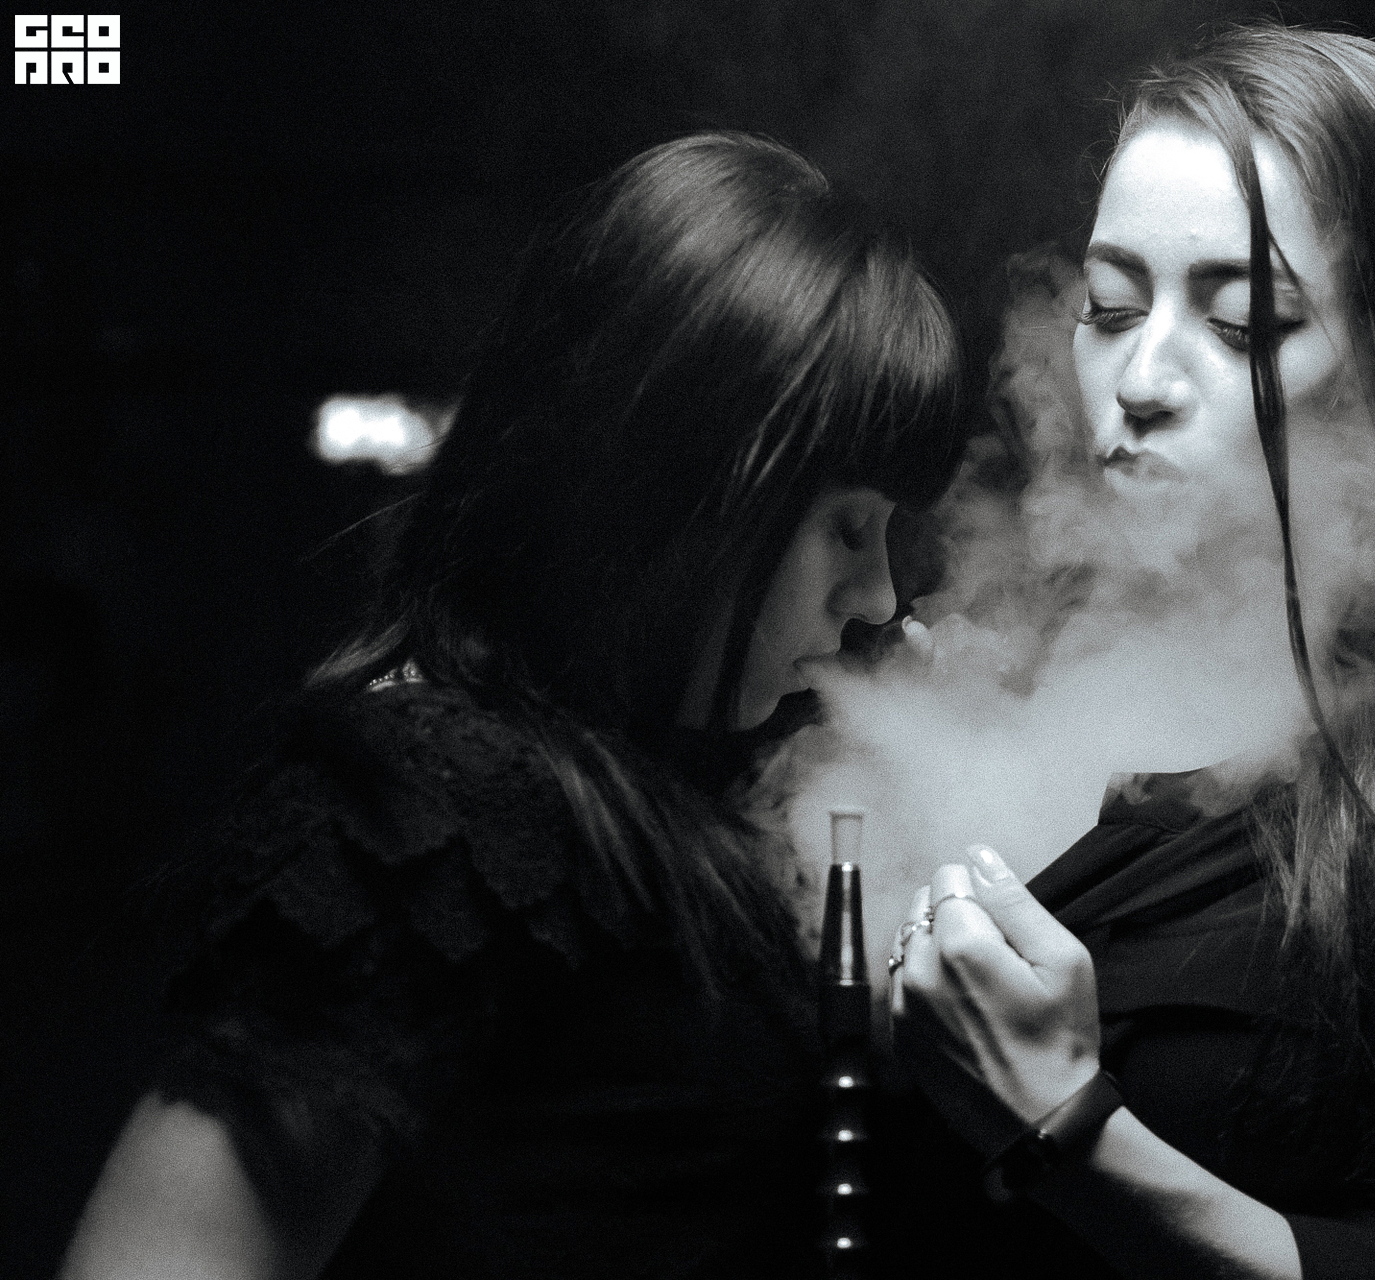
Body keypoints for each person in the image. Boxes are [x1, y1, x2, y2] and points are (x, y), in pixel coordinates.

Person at [59, 131, 961, 1280]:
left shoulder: (670, 759)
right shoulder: (426, 806)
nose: (877, 595)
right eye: (848, 525)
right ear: (683, 495)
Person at [888, 25, 1375, 1280]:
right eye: (1109, 307)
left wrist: (1067, 1120)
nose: (1139, 378)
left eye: (1244, 320)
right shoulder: (991, 684)